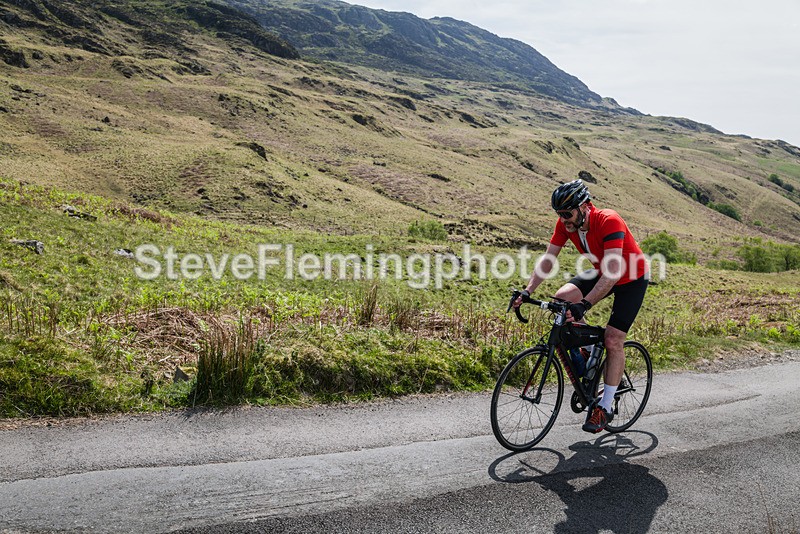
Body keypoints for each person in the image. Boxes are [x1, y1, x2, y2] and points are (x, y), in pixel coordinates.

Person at [515, 179, 649, 433]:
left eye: (567, 213)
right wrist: (527, 291)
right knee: (562, 299)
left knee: (612, 339)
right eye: (559, 214)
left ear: (584, 206)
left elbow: (612, 275)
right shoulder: (566, 225)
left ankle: (605, 407)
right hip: (603, 271)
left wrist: (585, 305)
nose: (563, 219)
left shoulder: (609, 220)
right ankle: (588, 349)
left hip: (631, 278)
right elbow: (547, 260)